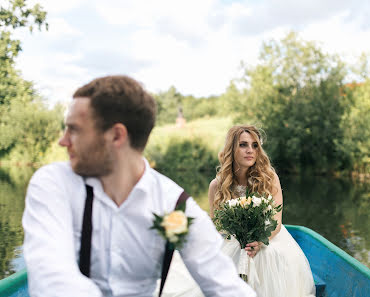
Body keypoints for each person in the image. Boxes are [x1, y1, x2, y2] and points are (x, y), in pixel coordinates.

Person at [22, 75, 256, 297]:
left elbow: (225, 284)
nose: (63, 141)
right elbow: (51, 277)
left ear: (116, 136)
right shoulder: (53, 183)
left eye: (74, 129)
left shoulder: (175, 205)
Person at [161, 125, 316, 297]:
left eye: (254, 145)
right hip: (232, 239)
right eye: (243, 145)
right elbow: (218, 227)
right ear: (232, 149)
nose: (250, 150)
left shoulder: (269, 179)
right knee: (232, 255)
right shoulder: (217, 185)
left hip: (268, 236)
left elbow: (276, 222)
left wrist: (259, 241)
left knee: (267, 254)